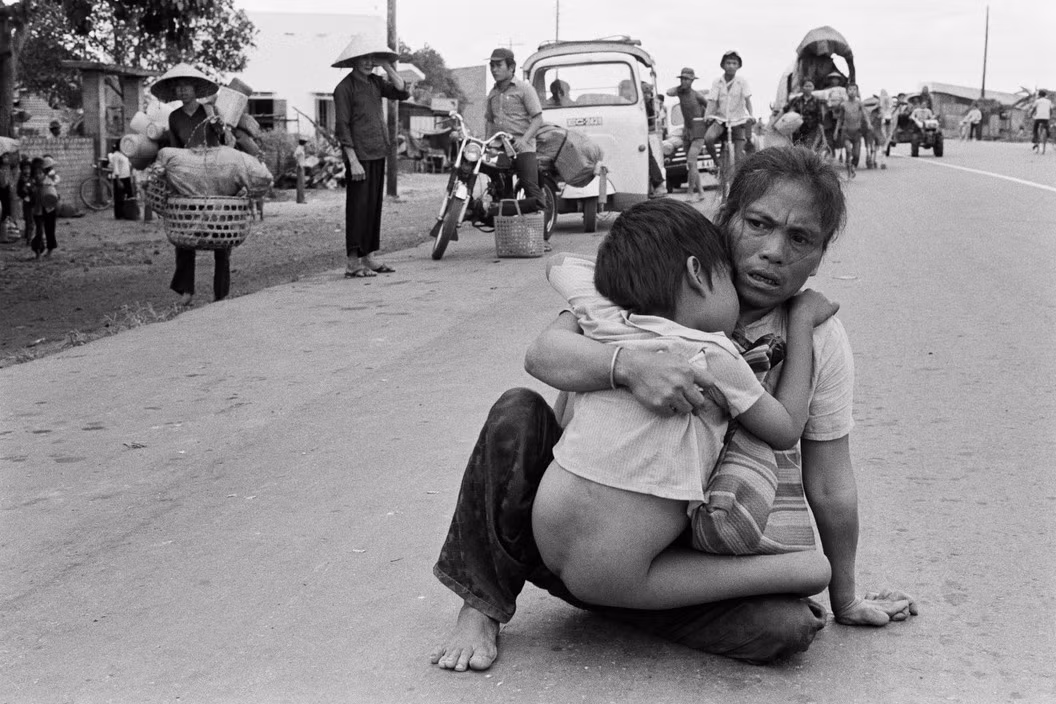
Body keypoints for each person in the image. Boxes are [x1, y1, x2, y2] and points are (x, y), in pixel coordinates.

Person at [430, 146, 918, 673]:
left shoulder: (818, 340)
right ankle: (482, 604)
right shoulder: (646, 283)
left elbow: (829, 482)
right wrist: (629, 367)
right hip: (570, 535)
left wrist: (846, 598)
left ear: (820, 256)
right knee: (517, 413)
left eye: (800, 239)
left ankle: (621, 598)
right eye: (759, 224)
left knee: (787, 626)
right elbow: (544, 354)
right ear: (725, 220)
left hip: (676, 556)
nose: (774, 251)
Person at [544, 203, 839, 562]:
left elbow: (559, 264)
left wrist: (615, 284)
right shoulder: (714, 353)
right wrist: (803, 319)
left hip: (546, 528)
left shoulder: (606, 318)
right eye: (727, 277)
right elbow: (787, 427)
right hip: (622, 562)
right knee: (811, 571)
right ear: (697, 273)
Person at [152, 63, 229, 306]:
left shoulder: (210, 110)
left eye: (186, 87)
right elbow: (174, 149)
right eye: (178, 88)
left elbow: (223, 139)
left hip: (213, 173)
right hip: (186, 176)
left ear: (196, 89)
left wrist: (219, 127)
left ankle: (221, 292)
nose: (183, 91)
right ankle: (187, 290)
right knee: (184, 234)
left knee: (221, 233)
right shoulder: (174, 117)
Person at [332, 37, 409, 278]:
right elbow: (342, 127)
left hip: (378, 151)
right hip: (359, 156)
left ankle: (369, 257)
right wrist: (352, 160)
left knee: (373, 207)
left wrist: (386, 66)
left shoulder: (376, 81)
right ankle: (353, 262)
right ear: (354, 61)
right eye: (362, 59)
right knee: (358, 208)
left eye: (370, 59)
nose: (367, 63)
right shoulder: (344, 88)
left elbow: (402, 92)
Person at [484, 48, 545, 216]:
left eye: (498, 65)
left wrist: (523, 141)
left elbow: (538, 119)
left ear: (511, 67)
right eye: (492, 66)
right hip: (500, 148)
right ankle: (502, 218)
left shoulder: (524, 89)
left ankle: (542, 235)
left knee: (531, 188)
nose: (494, 69)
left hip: (522, 148)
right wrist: (487, 144)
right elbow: (489, 120)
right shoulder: (492, 93)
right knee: (498, 188)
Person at [703, 51, 752, 184]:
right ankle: (717, 163)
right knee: (708, 138)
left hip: (737, 120)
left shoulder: (742, 82)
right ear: (723, 65)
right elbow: (712, 101)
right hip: (721, 119)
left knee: (738, 156)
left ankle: (741, 182)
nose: (731, 66)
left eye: (734, 63)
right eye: (728, 63)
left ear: (738, 66)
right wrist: (707, 115)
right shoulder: (717, 82)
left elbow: (747, 99)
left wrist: (750, 115)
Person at [666, 67, 709, 202]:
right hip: (687, 131)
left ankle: (690, 193)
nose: (684, 81)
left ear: (692, 81)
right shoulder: (680, 92)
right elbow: (668, 92)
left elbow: (710, 108)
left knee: (691, 162)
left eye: (686, 79)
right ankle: (701, 192)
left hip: (698, 130)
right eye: (682, 79)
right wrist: (680, 87)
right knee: (692, 165)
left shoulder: (697, 95)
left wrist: (705, 121)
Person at [30, 156, 60, 258]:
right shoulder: (32, 184)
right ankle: (38, 251)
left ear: (44, 173)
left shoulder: (50, 181)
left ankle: (50, 250)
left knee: (50, 229)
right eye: (36, 174)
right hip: (38, 209)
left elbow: (55, 196)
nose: (38, 176)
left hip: (49, 209)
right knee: (38, 231)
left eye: (40, 173)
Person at [835, 84, 866, 179]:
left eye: (854, 89)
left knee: (856, 154)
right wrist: (836, 131)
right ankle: (848, 170)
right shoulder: (843, 105)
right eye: (850, 89)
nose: (852, 91)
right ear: (847, 92)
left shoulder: (859, 104)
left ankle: (852, 166)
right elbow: (840, 119)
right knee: (848, 150)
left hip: (857, 131)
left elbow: (864, 115)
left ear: (857, 92)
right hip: (846, 131)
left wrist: (868, 124)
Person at [784, 80, 824, 151]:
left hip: (811, 131)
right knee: (797, 150)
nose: (808, 88)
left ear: (813, 88)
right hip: (797, 130)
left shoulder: (816, 101)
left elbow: (820, 119)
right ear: (802, 88)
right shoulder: (796, 100)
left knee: (808, 150)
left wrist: (823, 135)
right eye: (806, 86)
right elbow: (786, 111)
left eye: (810, 86)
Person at [107, 142, 132, 220]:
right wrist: (118, 181)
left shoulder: (124, 154)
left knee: (129, 196)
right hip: (120, 178)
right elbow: (116, 168)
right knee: (119, 198)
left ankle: (128, 212)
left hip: (126, 177)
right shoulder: (116, 155)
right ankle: (119, 215)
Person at [1029, 90, 1051, 154]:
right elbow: (1051, 110)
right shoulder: (1049, 101)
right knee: (1046, 127)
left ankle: (1035, 139)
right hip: (1046, 118)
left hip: (1038, 118)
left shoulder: (1037, 101)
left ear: (1039, 95)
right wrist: (1049, 115)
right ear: (1045, 95)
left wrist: (1030, 115)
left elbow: (1033, 109)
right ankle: (1048, 133)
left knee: (1035, 129)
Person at [16, 157, 33, 246]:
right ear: (22, 169)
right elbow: (18, 191)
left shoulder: (32, 178)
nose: (27, 170)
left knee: (30, 221)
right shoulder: (21, 180)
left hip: (33, 202)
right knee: (27, 219)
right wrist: (24, 196)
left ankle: (29, 238)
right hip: (26, 202)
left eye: (28, 168)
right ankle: (28, 237)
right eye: (25, 168)